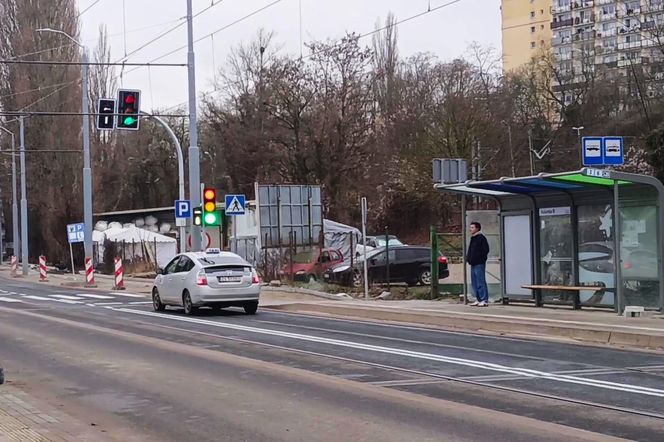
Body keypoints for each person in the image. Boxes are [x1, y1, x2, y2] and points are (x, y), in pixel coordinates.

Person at [466, 221, 490, 307]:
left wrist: (478, 258)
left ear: (477, 228)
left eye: (472, 227)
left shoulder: (481, 238)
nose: (470, 229)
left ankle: (484, 299)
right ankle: (478, 298)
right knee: (474, 282)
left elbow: (485, 250)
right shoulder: (473, 238)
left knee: (480, 282)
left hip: (479, 263)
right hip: (473, 263)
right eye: (470, 227)